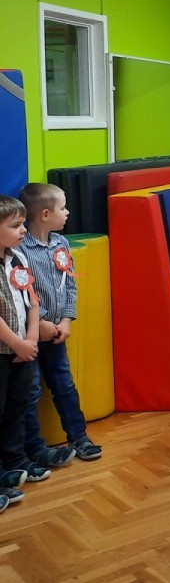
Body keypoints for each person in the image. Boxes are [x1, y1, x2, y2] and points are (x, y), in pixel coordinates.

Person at [20, 183, 101, 469]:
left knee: (64, 385)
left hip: (57, 334)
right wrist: (41, 321)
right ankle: (34, 448)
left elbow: (70, 286)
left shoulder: (61, 244)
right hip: (28, 335)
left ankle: (79, 437)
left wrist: (66, 320)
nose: (67, 213)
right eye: (63, 208)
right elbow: (20, 290)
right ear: (45, 214)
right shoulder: (19, 249)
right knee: (30, 392)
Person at [0, 195, 44, 499]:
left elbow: (32, 301)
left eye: (23, 224)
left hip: (23, 350)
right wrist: (16, 344)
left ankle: (15, 461)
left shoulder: (18, 258)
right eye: (16, 226)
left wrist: (31, 340)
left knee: (17, 407)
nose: (24, 230)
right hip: (5, 352)